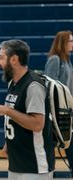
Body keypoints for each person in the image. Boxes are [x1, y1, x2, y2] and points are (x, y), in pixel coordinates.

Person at [0, 39, 55, 180]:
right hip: (17, 163)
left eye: (1, 57)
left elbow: (37, 124)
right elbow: (18, 115)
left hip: (34, 166)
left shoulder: (33, 86)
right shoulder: (13, 83)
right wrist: (9, 142)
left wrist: (6, 110)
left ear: (14, 59)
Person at [44, 30, 73, 176]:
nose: (72, 44)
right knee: (56, 144)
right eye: (70, 41)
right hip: (58, 111)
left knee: (69, 142)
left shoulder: (67, 59)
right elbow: (50, 86)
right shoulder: (55, 60)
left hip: (68, 108)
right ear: (63, 43)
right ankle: (49, 173)